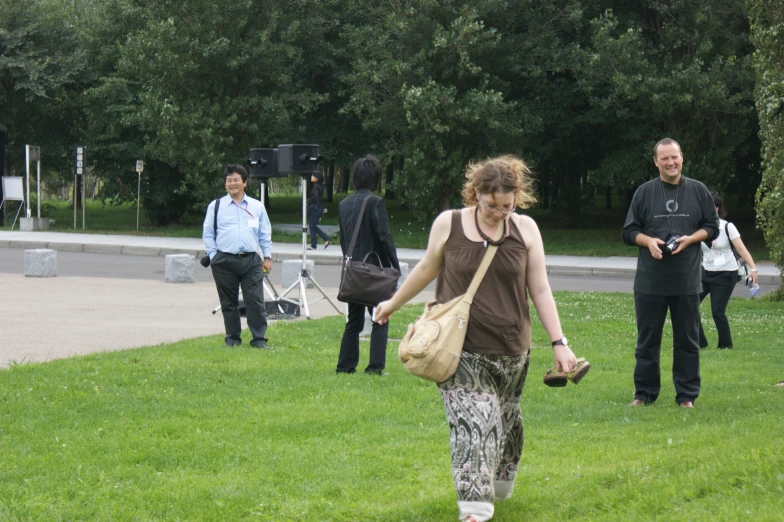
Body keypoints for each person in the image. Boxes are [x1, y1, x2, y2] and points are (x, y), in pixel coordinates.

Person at [374, 155, 581, 522]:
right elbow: (426, 268)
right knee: (475, 422)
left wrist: (559, 342)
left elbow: (541, 289)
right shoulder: (449, 224)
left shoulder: (526, 229)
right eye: (492, 205)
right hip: (459, 349)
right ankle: (474, 509)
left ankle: (500, 480)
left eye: (508, 205)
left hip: (512, 349)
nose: (501, 212)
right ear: (477, 194)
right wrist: (392, 303)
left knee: (506, 420)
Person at [622, 138, 719, 408]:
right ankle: (644, 394)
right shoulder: (644, 192)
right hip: (650, 281)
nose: (670, 162)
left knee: (687, 341)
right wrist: (648, 241)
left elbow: (712, 226)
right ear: (656, 162)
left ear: (682, 158)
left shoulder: (698, 191)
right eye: (664, 158)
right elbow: (629, 232)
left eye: (674, 157)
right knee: (647, 342)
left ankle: (686, 396)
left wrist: (691, 239)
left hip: (686, 281)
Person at [336, 155, 400, 375]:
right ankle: (375, 367)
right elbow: (384, 237)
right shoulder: (376, 202)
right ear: (375, 179)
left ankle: (345, 365)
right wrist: (395, 265)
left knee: (353, 321)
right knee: (380, 318)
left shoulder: (343, 204)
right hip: (375, 273)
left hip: (353, 271)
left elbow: (344, 240)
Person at [203, 164, 273, 349]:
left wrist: (267, 257)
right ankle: (233, 338)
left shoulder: (257, 207)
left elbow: (264, 234)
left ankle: (258, 339)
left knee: (255, 301)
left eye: (236, 180)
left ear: (245, 182)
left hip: (251, 260)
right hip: (224, 261)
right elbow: (208, 233)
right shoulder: (216, 206)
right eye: (229, 180)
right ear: (225, 184)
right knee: (229, 302)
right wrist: (213, 256)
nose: (232, 184)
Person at [698, 193, 759, 349]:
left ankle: (725, 346)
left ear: (717, 209)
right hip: (706, 271)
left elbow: (741, 248)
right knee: (689, 306)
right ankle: (700, 343)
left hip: (726, 273)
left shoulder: (727, 226)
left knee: (717, 311)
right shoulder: (698, 227)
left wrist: (753, 269)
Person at [306, 172, 331, 250]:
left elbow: (316, 196)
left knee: (312, 226)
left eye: (313, 176)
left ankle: (314, 245)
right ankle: (325, 239)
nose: (311, 177)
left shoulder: (316, 186)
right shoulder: (320, 186)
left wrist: (308, 201)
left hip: (315, 208)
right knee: (312, 226)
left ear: (317, 178)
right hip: (318, 208)